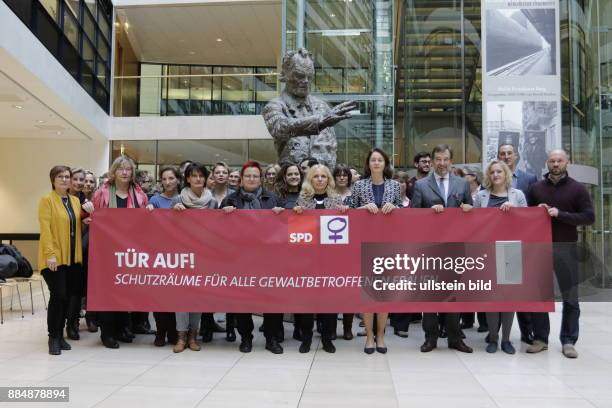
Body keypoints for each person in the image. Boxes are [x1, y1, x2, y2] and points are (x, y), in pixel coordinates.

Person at [526, 150, 594, 359]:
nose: (555, 164)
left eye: (559, 161)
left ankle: (568, 341)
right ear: (547, 163)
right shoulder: (535, 188)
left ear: (567, 162)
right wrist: (536, 212)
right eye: (552, 161)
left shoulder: (578, 189)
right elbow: (525, 216)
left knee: (571, 298)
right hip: (540, 248)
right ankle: (540, 339)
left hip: (567, 248)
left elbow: (589, 217)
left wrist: (560, 214)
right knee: (539, 297)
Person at [411, 144, 473, 354]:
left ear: (451, 160)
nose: (442, 163)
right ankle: (431, 338)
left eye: (445, 159)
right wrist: (429, 213)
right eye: (438, 159)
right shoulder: (420, 185)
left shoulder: (462, 184)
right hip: (429, 248)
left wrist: (467, 210)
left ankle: (455, 338)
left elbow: (470, 214)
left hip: (455, 248)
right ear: (433, 160)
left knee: (454, 295)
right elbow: (413, 217)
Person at [221, 161, 285, 354]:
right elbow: (218, 232)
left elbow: (285, 229)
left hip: (269, 259)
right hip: (240, 259)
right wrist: (222, 216)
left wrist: (282, 215)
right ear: (241, 179)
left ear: (261, 179)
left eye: (255, 176)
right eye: (248, 176)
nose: (251, 179)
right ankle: (246, 338)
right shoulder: (230, 201)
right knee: (242, 301)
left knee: (272, 300)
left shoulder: (273, 199)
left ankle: (272, 338)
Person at [262, 48, 356, 168]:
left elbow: (331, 145)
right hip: (294, 180)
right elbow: (280, 127)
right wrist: (319, 122)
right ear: (285, 74)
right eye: (299, 75)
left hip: (322, 179)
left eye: (309, 76)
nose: (305, 81)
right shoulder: (274, 106)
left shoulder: (322, 106)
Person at [93, 156, 149, 349]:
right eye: (120, 169)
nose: (125, 172)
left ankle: (122, 329)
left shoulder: (140, 195)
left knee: (125, 291)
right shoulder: (102, 193)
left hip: (130, 251)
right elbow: (95, 217)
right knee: (108, 292)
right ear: (114, 172)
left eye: (128, 169)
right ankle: (107, 333)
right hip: (107, 250)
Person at [471, 160, 527, 354]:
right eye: (492, 172)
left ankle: (506, 340)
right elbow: (474, 224)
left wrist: (515, 212)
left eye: (499, 172)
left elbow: (528, 223)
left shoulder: (517, 195)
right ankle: (493, 339)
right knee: (491, 297)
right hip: (487, 251)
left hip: (511, 250)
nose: (496, 175)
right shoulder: (480, 196)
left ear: (506, 174)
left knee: (508, 298)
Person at [350, 148, 401, 354]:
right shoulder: (359, 185)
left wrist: (395, 209)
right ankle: (369, 337)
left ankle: (381, 335)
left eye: (380, 160)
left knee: (384, 294)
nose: (377, 163)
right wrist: (362, 209)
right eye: (373, 160)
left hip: (388, 245)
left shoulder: (395, 186)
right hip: (364, 245)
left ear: (385, 163)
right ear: (368, 163)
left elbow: (404, 212)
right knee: (368, 293)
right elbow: (350, 211)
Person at [293, 165, 349, 353]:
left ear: (328, 180)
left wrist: (345, 211)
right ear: (310, 179)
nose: (319, 179)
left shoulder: (336, 200)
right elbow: (297, 230)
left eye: (323, 176)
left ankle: (327, 338)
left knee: (329, 302)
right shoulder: (302, 199)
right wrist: (296, 213)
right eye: (315, 176)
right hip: (307, 260)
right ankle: (306, 338)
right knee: (308, 302)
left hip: (330, 260)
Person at [170, 163, 218, 353]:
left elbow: (218, 229)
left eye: (201, 176)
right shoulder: (177, 200)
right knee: (181, 297)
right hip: (181, 255)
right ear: (187, 179)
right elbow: (165, 226)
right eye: (194, 176)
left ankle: (193, 337)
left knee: (197, 296)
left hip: (203, 255)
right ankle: (181, 337)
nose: (198, 179)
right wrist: (174, 212)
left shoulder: (212, 202)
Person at [39, 166, 85, 355]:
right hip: (54, 258)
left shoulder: (74, 201)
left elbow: (75, 226)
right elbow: (46, 228)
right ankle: (53, 337)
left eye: (67, 176)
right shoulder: (46, 200)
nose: (65, 180)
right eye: (61, 177)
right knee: (58, 296)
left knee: (69, 296)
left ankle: (61, 334)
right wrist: (50, 254)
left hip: (72, 258)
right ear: (53, 179)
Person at [498, 143, 538, 344]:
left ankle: (527, 331)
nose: (506, 156)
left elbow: (532, 210)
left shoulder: (529, 179)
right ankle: (494, 333)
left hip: (520, 242)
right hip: (495, 242)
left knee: (521, 290)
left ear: (516, 156)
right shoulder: (491, 180)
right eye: (502, 154)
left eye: (509, 153)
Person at [145, 166, 181, 347]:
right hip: (159, 255)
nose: (168, 182)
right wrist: (149, 210)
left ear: (178, 180)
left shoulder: (184, 198)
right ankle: (160, 331)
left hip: (180, 255)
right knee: (159, 296)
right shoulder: (155, 200)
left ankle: (174, 333)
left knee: (176, 296)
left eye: (171, 178)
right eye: (164, 179)